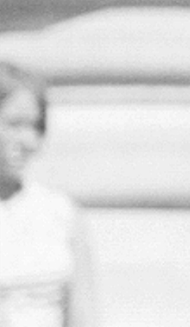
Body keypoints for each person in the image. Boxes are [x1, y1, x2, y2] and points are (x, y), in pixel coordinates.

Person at [0, 62, 95, 327]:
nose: (29, 140)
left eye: (36, 126)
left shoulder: (61, 212)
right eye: (15, 124)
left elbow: (82, 314)